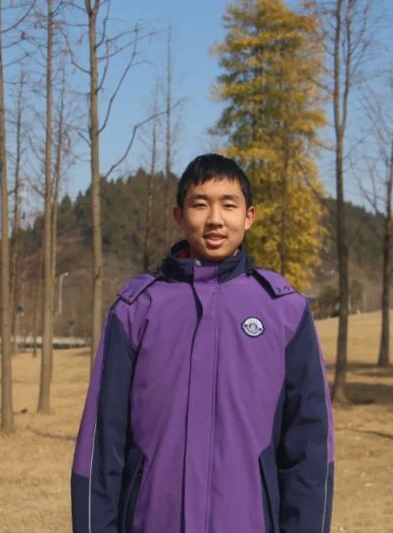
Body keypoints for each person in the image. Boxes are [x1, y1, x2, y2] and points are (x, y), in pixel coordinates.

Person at [71, 153, 334, 533]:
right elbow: (101, 446)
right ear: (179, 216)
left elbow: (309, 447)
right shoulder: (136, 310)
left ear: (249, 216)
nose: (215, 219)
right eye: (200, 204)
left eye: (229, 205)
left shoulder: (284, 311)